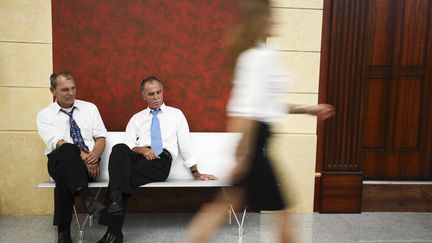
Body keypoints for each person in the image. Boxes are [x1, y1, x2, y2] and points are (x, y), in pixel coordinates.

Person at [187, 0, 335, 242]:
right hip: (254, 143)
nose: (275, 21)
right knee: (280, 211)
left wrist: (308, 109)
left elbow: (270, 103)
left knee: (224, 207)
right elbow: (243, 111)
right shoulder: (257, 58)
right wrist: (244, 157)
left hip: (256, 142)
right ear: (258, 21)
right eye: (269, 16)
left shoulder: (261, 54)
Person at [97, 76, 217, 243]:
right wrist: (142, 150)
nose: (156, 97)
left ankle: (114, 229)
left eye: (158, 92)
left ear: (163, 92)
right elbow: (128, 144)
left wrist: (195, 172)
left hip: (160, 161)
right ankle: (115, 218)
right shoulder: (137, 118)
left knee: (120, 180)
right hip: (137, 157)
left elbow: (185, 144)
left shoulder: (176, 115)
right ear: (143, 96)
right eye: (151, 94)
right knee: (119, 149)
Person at [36, 71, 107, 243]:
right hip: (58, 159)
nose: (70, 93)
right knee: (67, 149)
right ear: (52, 91)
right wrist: (84, 157)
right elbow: (58, 143)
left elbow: (101, 137)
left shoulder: (90, 108)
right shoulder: (44, 115)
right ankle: (86, 197)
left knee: (64, 174)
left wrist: (95, 156)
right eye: (65, 90)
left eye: (73, 88)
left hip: (89, 163)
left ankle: (63, 233)